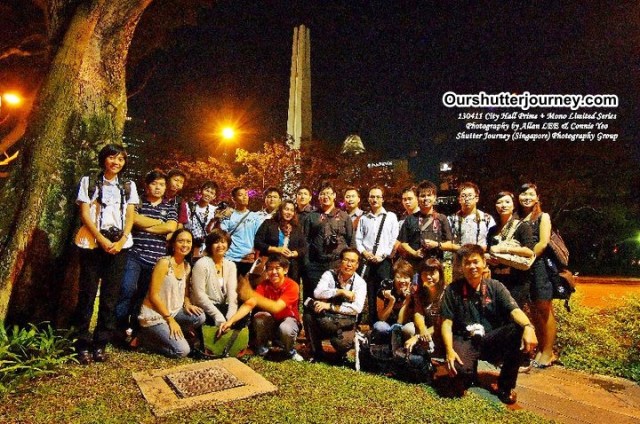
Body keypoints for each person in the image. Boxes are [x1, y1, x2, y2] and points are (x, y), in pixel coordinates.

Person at [441, 244, 538, 404]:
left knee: (518, 330)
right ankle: (469, 372)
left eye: (475, 262)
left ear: (484, 263)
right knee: (459, 373)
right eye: (467, 263)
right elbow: (446, 323)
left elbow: (514, 311)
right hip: (465, 340)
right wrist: (449, 350)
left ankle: (505, 386)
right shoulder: (452, 290)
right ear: (461, 267)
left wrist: (528, 327)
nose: (472, 266)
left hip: (489, 340)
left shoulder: (495, 287)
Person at [71, 143, 139, 364]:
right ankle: (82, 343)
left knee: (110, 297)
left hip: (119, 246)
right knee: (87, 295)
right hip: (92, 244)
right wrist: (101, 239)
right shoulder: (89, 182)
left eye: (120, 159)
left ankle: (100, 343)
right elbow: (84, 214)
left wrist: (121, 241)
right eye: (112, 157)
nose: (116, 162)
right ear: (103, 159)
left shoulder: (128, 186)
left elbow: (130, 216)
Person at [116, 170, 178, 334]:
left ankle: (135, 329)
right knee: (127, 289)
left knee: (144, 295)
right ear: (147, 185)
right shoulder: (138, 202)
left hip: (156, 260)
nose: (158, 187)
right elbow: (133, 219)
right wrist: (159, 223)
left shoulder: (170, 207)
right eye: (154, 183)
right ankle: (118, 327)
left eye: (162, 184)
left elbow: (171, 227)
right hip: (135, 254)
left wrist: (145, 225)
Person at [137, 229, 205, 358]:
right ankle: (145, 340)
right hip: (155, 315)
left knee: (199, 316)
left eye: (188, 241)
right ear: (173, 244)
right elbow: (153, 295)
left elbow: (185, 293)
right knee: (182, 351)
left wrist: (187, 303)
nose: (185, 245)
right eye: (181, 241)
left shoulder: (186, 266)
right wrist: (170, 320)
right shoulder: (164, 263)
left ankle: (172, 334)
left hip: (174, 311)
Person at [234, 254, 303, 361]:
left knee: (286, 328)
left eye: (277, 268)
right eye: (270, 269)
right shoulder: (263, 285)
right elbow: (249, 304)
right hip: (271, 321)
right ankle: (263, 349)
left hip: (288, 320)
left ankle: (289, 351)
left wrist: (251, 294)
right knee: (259, 317)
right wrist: (231, 321)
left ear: (285, 270)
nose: (273, 272)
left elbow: (276, 307)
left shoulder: (292, 285)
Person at [303, 248, 366, 364]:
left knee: (342, 343)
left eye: (352, 261)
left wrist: (330, 306)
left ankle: (340, 355)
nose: (349, 264)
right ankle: (316, 352)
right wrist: (340, 291)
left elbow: (357, 308)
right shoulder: (329, 274)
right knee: (308, 316)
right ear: (340, 261)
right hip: (325, 319)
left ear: (357, 265)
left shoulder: (360, 283)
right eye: (346, 260)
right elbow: (317, 293)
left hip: (344, 323)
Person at [518, 183, 557, 368]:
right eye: (523, 194)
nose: (526, 197)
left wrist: (528, 258)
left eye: (530, 194)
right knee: (534, 309)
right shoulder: (518, 218)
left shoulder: (543, 217)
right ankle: (541, 348)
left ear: (537, 198)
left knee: (544, 308)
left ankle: (549, 352)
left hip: (539, 266)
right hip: (523, 267)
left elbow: (543, 243)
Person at [303, 181, 356, 301]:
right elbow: (305, 241)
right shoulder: (311, 216)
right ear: (318, 197)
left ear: (334, 195)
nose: (325, 196)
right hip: (316, 265)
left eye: (328, 193)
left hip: (337, 264)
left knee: (336, 298)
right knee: (316, 298)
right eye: (322, 194)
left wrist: (352, 264)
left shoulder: (344, 216)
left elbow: (351, 241)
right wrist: (307, 264)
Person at [355, 186, 399, 322]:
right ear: (368, 199)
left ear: (383, 199)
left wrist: (383, 255)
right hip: (367, 261)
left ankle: (385, 323)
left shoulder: (391, 217)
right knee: (369, 292)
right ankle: (372, 323)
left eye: (378, 197)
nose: (375, 199)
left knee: (385, 292)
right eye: (372, 197)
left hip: (384, 262)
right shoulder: (364, 218)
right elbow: (358, 239)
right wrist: (364, 252)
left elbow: (393, 239)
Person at [486, 191, 535, 308]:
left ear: (513, 205)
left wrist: (505, 249)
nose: (503, 205)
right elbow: (489, 251)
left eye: (507, 202)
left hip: (517, 280)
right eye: (499, 202)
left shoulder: (522, 226)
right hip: (497, 279)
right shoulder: (492, 230)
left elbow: (529, 252)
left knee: (513, 312)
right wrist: (488, 258)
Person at [398, 180, 454, 269]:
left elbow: (449, 243)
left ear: (434, 198)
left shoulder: (442, 218)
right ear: (417, 198)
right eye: (422, 196)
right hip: (415, 266)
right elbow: (404, 242)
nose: (426, 198)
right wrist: (414, 253)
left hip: (436, 265)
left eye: (429, 195)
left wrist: (436, 244)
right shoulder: (410, 219)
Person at [190, 229, 240, 326]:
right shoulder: (201, 264)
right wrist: (218, 317)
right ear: (210, 245)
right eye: (216, 242)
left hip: (222, 306)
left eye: (223, 242)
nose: (220, 245)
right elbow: (200, 296)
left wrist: (231, 317)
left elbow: (232, 293)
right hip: (204, 307)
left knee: (242, 314)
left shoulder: (231, 265)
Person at [448, 182, 495, 281]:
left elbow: (492, 243)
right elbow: (448, 242)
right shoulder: (451, 220)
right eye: (463, 196)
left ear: (476, 198)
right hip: (459, 266)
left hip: (480, 266)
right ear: (459, 199)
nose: (467, 199)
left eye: (470, 195)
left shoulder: (487, 219)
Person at [397, 258, 445, 355]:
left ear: (440, 274)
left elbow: (443, 323)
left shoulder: (447, 293)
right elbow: (418, 314)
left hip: (442, 330)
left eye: (432, 273)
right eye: (425, 274)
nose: (428, 277)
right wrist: (422, 329)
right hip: (426, 329)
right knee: (408, 328)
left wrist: (418, 336)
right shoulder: (419, 293)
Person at [254, 200, 308, 282]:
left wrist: (293, 253)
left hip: (290, 269)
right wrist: (276, 249)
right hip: (270, 266)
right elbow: (257, 242)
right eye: (286, 209)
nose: (289, 212)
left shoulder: (296, 228)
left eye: (291, 210)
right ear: (280, 210)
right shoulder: (268, 223)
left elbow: (304, 247)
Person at [218, 186, 266, 276]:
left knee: (245, 284)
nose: (245, 197)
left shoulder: (255, 217)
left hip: (248, 258)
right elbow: (222, 235)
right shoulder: (228, 215)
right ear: (234, 199)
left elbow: (259, 238)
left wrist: (256, 257)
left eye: (246, 195)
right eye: (240, 195)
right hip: (230, 257)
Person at [370, 259, 414, 344]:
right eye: (398, 277)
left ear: (410, 279)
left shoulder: (413, 292)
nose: (402, 281)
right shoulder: (385, 289)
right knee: (379, 326)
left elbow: (400, 321)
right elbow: (382, 318)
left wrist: (407, 300)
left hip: (403, 326)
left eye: (405, 277)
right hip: (386, 324)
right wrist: (391, 301)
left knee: (400, 327)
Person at [184, 180, 218, 258]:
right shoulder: (188, 206)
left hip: (204, 249)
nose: (208, 194)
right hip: (187, 244)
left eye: (212, 193)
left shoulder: (215, 210)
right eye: (207, 191)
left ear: (214, 197)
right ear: (201, 191)